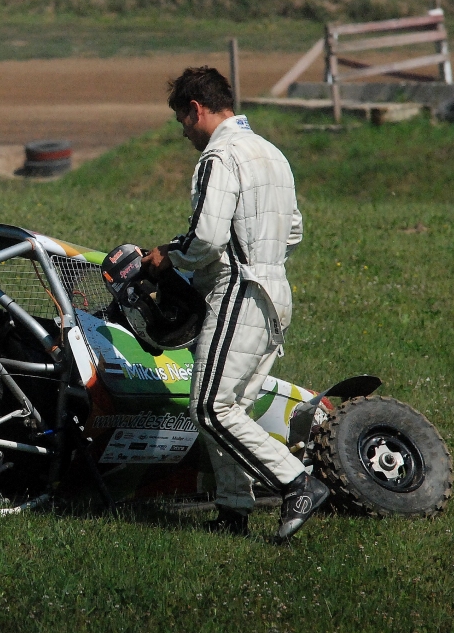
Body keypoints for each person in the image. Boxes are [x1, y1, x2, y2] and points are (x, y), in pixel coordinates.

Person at [141, 66, 328, 541]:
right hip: (276, 293)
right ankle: (232, 510)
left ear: (196, 110)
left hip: (240, 292)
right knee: (233, 408)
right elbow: (295, 230)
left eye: (183, 122)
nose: (185, 133)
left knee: (208, 408)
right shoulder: (271, 153)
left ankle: (297, 482)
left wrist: (168, 256)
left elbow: (205, 239)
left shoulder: (220, 156)